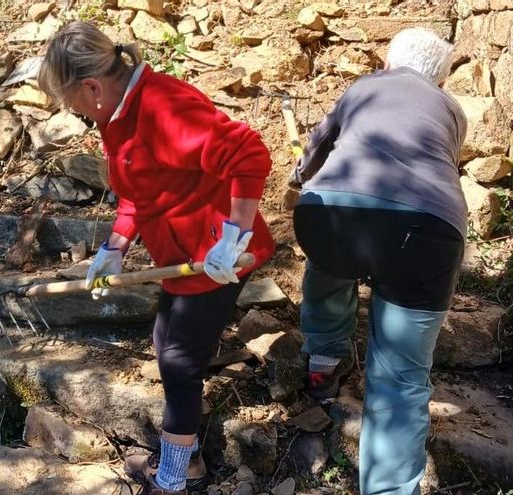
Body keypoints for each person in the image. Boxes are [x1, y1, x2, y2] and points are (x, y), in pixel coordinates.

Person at [39, 22, 275, 494]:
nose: (74, 111)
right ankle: (181, 458)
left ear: (92, 86)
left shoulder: (162, 107)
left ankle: (175, 475)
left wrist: (235, 234)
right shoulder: (116, 117)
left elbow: (248, 154)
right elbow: (137, 193)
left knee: (180, 360)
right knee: (165, 339)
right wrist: (116, 245)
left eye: (71, 102)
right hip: (182, 252)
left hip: (216, 254)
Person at [288, 28, 467, 494]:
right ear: (440, 81)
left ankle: (324, 362)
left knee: (330, 267)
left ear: (388, 64)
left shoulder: (365, 86)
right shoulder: (451, 109)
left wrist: (300, 177)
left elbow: (319, 144)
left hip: (334, 216)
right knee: (403, 377)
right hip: (427, 232)